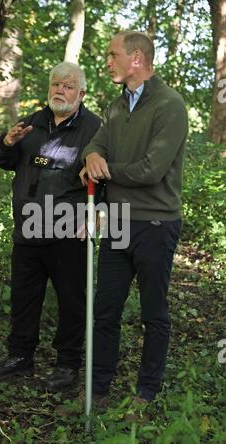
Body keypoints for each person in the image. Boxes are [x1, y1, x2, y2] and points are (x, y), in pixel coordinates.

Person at [80, 31, 188, 405]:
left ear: (137, 58)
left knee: (153, 314)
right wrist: (92, 156)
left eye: (113, 55)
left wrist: (105, 170)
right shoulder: (115, 106)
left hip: (156, 224)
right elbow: (97, 142)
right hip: (119, 222)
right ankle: (97, 391)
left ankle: (146, 395)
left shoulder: (170, 105)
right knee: (105, 309)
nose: (107, 62)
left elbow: (151, 170)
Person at [0, 62, 101, 391]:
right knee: (24, 296)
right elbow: (6, 162)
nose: (59, 90)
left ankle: (67, 365)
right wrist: (5, 142)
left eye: (67, 85)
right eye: (55, 85)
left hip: (68, 229)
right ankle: (20, 358)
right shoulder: (32, 124)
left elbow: (106, 179)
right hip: (28, 227)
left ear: (81, 92)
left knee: (71, 300)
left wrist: (98, 214)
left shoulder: (95, 129)